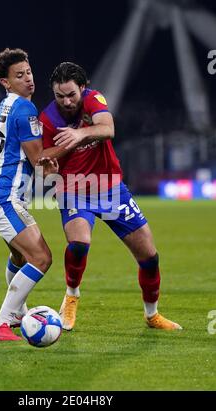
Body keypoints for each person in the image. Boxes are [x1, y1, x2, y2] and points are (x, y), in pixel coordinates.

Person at [39, 62, 182, 331]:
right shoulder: (48, 120)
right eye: (60, 96)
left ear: (82, 88)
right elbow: (45, 166)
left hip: (111, 189)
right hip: (74, 190)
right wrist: (49, 170)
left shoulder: (94, 99)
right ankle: (71, 297)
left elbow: (107, 128)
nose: (66, 101)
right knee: (80, 243)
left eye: (71, 94)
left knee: (150, 257)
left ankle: (152, 315)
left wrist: (79, 133)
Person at [0, 48, 60, 341]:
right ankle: (0, 323)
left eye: (28, 72)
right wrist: (73, 141)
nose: (28, 79)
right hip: (4, 197)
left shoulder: (8, 104)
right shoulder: (24, 109)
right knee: (41, 258)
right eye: (19, 75)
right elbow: (39, 159)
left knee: (19, 256)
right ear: (5, 82)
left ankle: (18, 314)